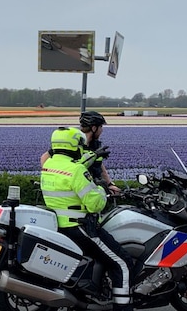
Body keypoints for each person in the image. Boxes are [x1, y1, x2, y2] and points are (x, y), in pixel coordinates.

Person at [40, 126, 134, 311]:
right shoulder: (76, 171)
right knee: (122, 263)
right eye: (79, 144)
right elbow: (95, 204)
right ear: (74, 146)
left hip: (60, 226)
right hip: (81, 228)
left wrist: (90, 158)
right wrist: (102, 189)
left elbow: (75, 166)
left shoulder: (49, 166)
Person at [40, 111, 119, 194]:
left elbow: (100, 166)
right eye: (101, 127)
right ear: (94, 128)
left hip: (94, 189)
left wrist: (109, 184)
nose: (102, 130)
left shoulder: (95, 145)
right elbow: (44, 158)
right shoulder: (73, 143)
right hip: (75, 190)